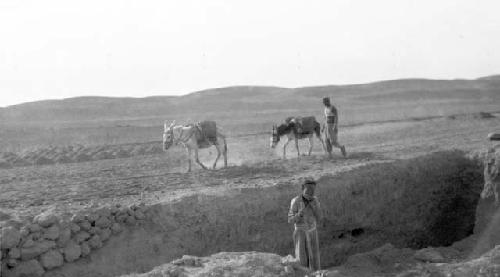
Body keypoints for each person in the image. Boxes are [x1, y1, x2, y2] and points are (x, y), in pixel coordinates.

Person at [288, 179, 322, 271]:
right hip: (301, 233)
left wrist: (315, 207)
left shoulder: (315, 200)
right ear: (302, 188)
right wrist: (299, 214)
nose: (311, 192)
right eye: (309, 189)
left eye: (313, 190)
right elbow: (290, 220)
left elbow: (319, 218)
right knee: (302, 259)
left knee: (315, 259)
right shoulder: (295, 201)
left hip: (312, 232)